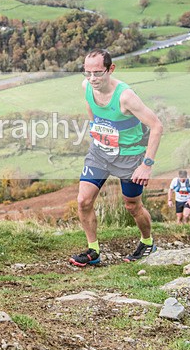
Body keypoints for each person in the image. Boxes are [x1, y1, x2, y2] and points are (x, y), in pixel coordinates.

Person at [69, 49, 163, 267]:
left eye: (98, 73)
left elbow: (157, 125)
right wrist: (94, 127)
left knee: (132, 206)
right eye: (87, 73)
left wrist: (146, 165)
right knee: (83, 201)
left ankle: (147, 243)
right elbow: (89, 104)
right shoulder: (87, 87)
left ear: (110, 69)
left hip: (129, 157)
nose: (92, 78)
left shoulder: (125, 97)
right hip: (100, 153)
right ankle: (93, 251)